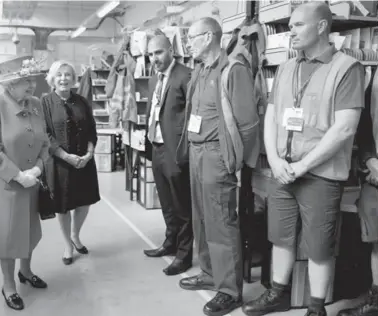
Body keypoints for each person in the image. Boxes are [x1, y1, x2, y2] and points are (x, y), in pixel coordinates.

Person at [241, 3, 365, 316]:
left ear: (322, 26)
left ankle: (315, 307)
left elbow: (345, 127)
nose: (290, 31)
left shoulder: (347, 68)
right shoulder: (285, 68)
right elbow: (270, 115)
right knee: (280, 237)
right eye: (290, 25)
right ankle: (278, 294)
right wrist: (274, 158)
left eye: (297, 25)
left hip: (320, 175)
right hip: (283, 170)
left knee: (319, 246)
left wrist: (301, 166)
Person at [177, 17, 260, 316]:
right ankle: (210, 272)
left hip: (217, 155)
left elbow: (249, 124)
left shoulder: (233, 70)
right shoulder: (199, 71)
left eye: (192, 37)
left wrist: (237, 163)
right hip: (196, 153)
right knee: (201, 218)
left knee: (222, 223)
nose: (188, 43)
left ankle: (228, 290)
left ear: (210, 36)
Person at [0, 56, 49, 311]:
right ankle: (8, 285)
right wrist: (20, 176)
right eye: (25, 81)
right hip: (5, 185)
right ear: (9, 84)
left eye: (32, 80)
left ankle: (26, 272)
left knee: (28, 231)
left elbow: (45, 142)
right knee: (8, 236)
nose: (31, 85)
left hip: (31, 181)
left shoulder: (36, 104)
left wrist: (38, 168)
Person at [143, 35, 193, 276]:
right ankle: (170, 242)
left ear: (171, 51)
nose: (155, 59)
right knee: (166, 201)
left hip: (176, 150)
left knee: (181, 203)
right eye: (151, 54)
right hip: (157, 147)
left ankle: (184, 254)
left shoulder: (186, 75)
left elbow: (193, 116)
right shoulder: (155, 79)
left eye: (159, 53)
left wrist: (185, 150)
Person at [41, 60, 100, 265]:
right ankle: (67, 244)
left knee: (84, 201)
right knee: (63, 206)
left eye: (67, 75)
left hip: (84, 161)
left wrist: (89, 153)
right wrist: (65, 156)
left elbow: (92, 129)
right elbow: (45, 134)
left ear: (73, 79)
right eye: (59, 75)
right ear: (52, 79)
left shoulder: (82, 102)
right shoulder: (45, 103)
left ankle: (75, 235)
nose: (64, 79)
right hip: (60, 163)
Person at [337, 68, 378, 316]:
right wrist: (370, 160)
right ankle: (376, 301)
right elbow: (364, 127)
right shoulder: (375, 75)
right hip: (375, 172)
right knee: (377, 240)